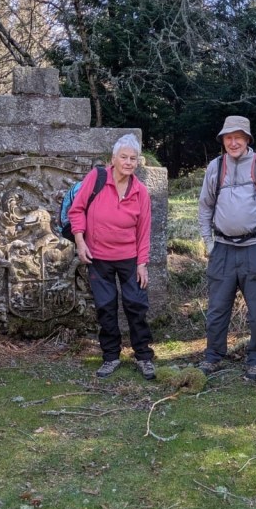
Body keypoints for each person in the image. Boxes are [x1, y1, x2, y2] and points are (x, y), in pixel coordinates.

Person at [197, 115, 256, 380]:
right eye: (228, 138)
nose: (233, 143)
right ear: (223, 140)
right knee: (217, 310)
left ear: (247, 139)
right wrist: (208, 241)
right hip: (222, 249)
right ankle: (213, 356)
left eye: (238, 137)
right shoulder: (215, 167)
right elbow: (205, 206)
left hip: (254, 248)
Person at [68, 134, 156, 380]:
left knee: (136, 305)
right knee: (105, 307)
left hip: (129, 258)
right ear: (113, 159)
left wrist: (142, 264)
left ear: (137, 162)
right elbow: (77, 210)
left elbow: (144, 230)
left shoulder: (140, 192)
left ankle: (143, 356)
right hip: (98, 257)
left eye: (133, 158)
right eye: (124, 157)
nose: (128, 162)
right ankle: (110, 356)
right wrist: (80, 242)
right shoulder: (96, 178)